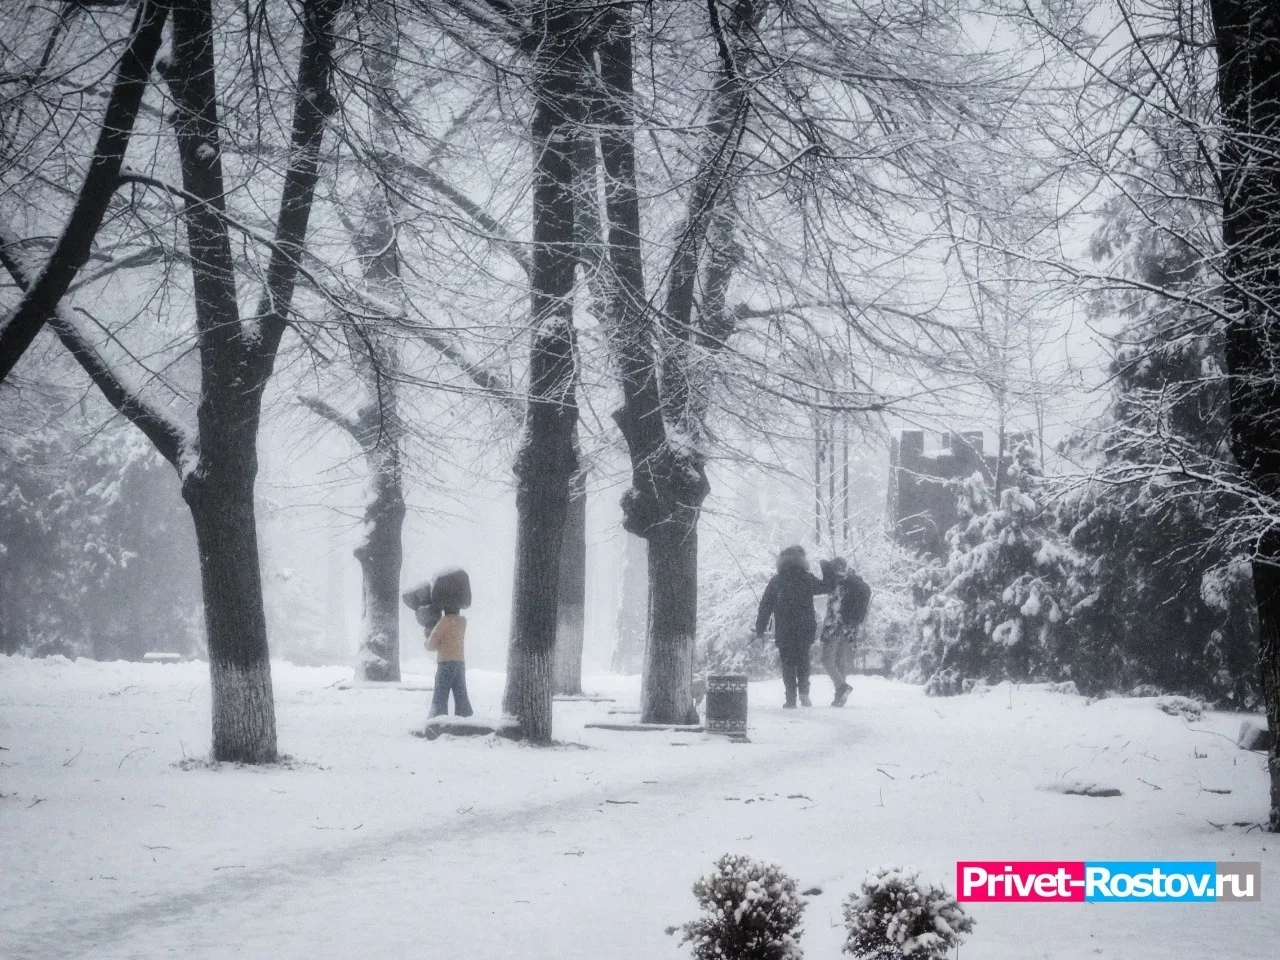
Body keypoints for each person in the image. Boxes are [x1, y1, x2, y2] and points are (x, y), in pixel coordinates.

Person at [754, 545, 834, 708]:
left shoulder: (776, 581)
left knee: (788, 662)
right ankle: (804, 693)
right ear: (801, 561)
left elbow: (765, 606)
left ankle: (790, 697)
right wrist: (827, 568)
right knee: (803, 659)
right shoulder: (806, 578)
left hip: (785, 628)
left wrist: (760, 629)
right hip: (805, 626)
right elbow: (827, 587)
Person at [819, 557, 872, 707]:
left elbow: (836, 607)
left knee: (826, 658)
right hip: (850, 627)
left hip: (836, 625)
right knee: (840, 660)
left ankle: (842, 687)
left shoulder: (839, 582)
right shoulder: (854, 580)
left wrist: (831, 626)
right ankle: (840, 696)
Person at [424, 601, 473, 718]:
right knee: (461, 696)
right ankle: (465, 720)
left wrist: (427, 638)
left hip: (445, 663)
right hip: (460, 663)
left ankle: (436, 721)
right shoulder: (462, 622)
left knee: (440, 698)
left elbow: (431, 644)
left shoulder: (444, 621)